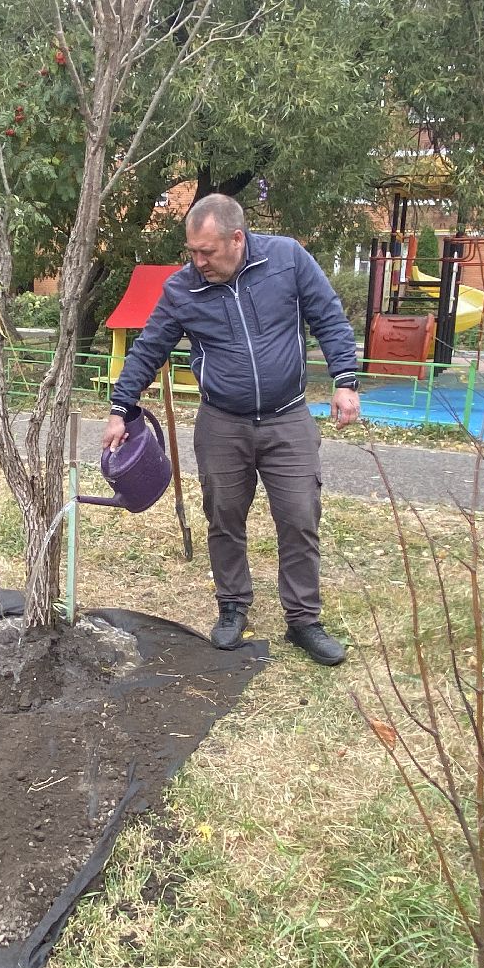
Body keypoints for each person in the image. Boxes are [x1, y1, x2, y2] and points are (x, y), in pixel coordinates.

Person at [102, 194, 361, 665]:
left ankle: (303, 620)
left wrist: (345, 379)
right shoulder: (184, 289)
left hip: (288, 417)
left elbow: (329, 315)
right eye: (192, 252)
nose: (198, 262)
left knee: (300, 516)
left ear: (237, 238)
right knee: (223, 516)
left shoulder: (287, 259)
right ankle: (232, 605)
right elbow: (149, 347)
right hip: (221, 422)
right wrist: (122, 406)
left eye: (208, 252)